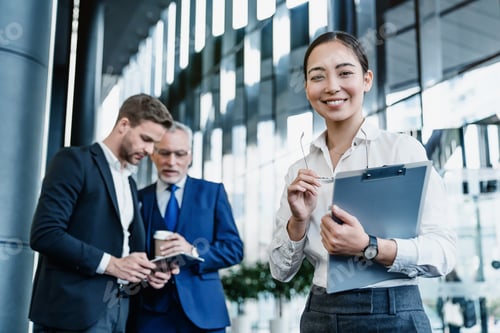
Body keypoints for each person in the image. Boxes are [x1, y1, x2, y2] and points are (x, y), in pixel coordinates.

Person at [268, 31, 457, 332]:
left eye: (345, 73)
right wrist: (298, 221)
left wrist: (370, 246)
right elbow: (280, 271)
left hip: (393, 311)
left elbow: (443, 253)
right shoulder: (299, 170)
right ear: (306, 88)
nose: (332, 87)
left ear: (366, 80)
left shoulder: (402, 151)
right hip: (322, 313)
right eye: (318, 77)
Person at [29, 93, 178, 332]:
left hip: (120, 309)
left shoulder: (129, 181)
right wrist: (112, 264)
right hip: (73, 311)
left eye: (154, 144)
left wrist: (148, 271)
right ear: (124, 125)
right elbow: (45, 234)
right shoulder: (73, 161)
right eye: (146, 139)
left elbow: (122, 247)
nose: (150, 151)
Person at [129, 121, 244, 333]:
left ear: (190, 156)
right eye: (164, 153)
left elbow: (234, 249)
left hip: (205, 314)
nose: (171, 162)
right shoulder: (137, 198)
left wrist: (192, 251)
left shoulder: (213, 193)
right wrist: (146, 274)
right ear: (153, 154)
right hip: (152, 315)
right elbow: (127, 252)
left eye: (180, 154)